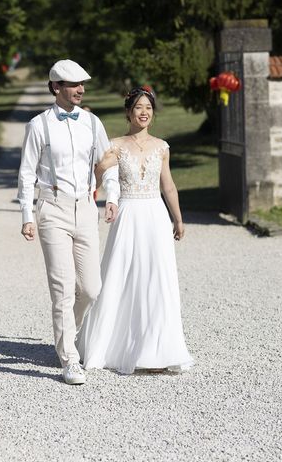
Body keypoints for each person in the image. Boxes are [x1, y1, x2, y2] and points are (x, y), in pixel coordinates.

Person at [77, 87, 195, 374]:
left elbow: (168, 185)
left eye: (149, 108)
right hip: (128, 215)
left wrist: (177, 218)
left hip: (155, 214)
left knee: (157, 277)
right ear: (128, 112)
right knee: (121, 274)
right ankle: (113, 345)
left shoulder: (161, 146)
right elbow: (97, 177)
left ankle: (157, 349)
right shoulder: (115, 145)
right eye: (139, 107)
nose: (144, 112)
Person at [17, 59, 119, 385]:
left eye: (82, 85)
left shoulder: (92, 122)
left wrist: (112, 197)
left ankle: (67, 335)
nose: (81, 90)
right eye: (74, 85)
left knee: (91, 287)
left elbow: (108, 162)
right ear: (56, 87)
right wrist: (26, 216)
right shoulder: (38, 126)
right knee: (62, 289)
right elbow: (26, 174)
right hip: (53, 209)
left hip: (86, 208)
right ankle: (69, 359)